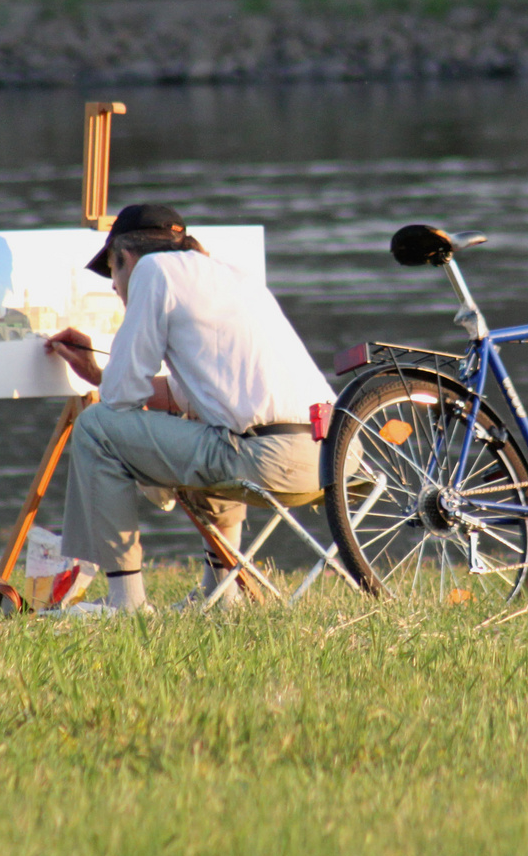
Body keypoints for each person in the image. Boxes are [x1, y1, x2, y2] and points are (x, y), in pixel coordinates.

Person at [44, 204, 334, 614]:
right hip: (331, 458)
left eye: (112, 272)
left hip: (267, 460)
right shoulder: (231, 276)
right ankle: (221, 594)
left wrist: (112, 381)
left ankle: (126, 603)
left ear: (125, 257)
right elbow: (178, 396)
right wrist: (97, 372)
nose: (114, 287)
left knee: (94, 427)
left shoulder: (152, 271)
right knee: (209, 427)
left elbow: (120, 399)